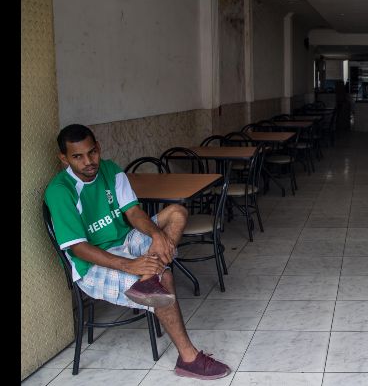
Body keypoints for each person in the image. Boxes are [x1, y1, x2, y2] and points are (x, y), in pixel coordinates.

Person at [44, 124, 231, 380]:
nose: (89, 162)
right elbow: (78, 247)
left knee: (177, 212)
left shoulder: (110, 169)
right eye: (78, 156)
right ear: (64, 158)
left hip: (126, 240)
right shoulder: (60, 191)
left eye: (92, 152)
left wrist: (156, 235)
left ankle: (148, 278)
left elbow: (133, 212)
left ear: (98, 147)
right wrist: (128, 265)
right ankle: (188, 358)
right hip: (92, 263)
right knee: (163, 278)